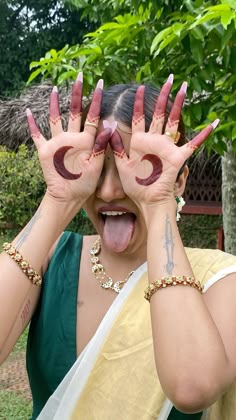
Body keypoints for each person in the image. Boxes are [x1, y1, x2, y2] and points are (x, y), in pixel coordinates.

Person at [0, 73, 236, 420]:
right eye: (97, 170)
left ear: (180, 179)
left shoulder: (220, 279)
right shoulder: (54, 259)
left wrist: (157, 203)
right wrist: (57, 198)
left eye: (130, 169)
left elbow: (191, 387)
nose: (109, 191)